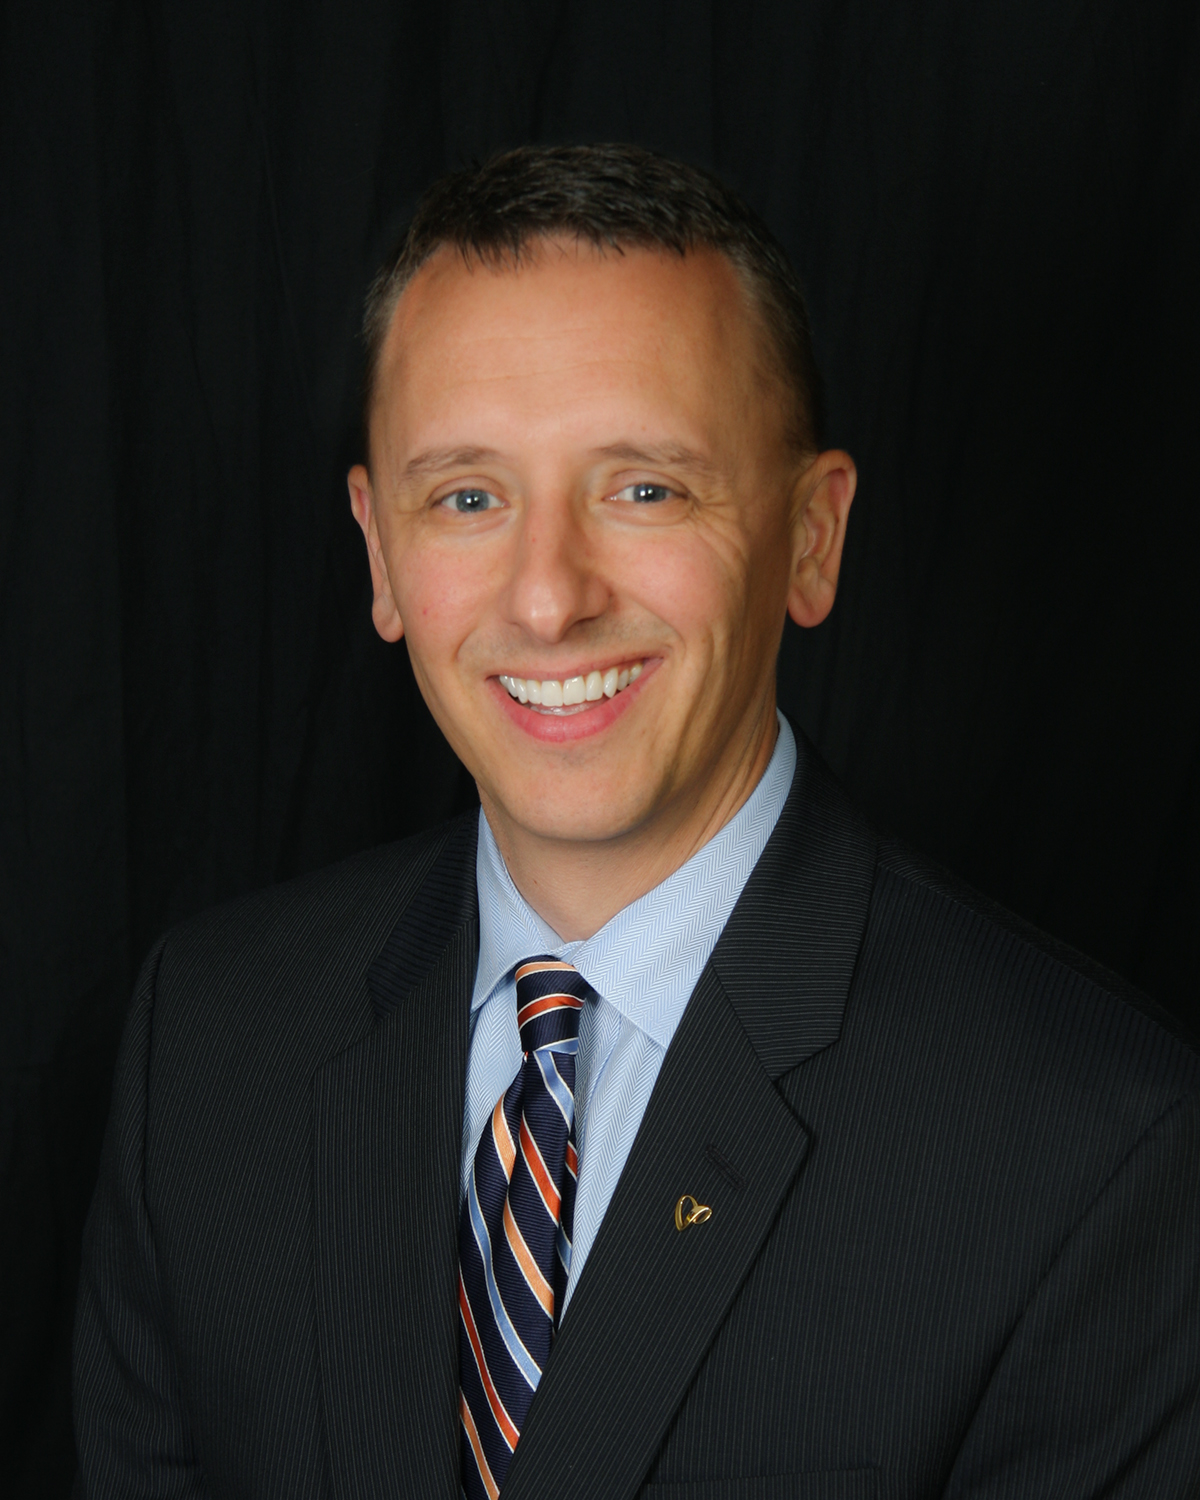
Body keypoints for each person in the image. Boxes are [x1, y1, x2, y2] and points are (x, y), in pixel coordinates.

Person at [73, 144, 1199, 1499]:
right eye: (469, 497)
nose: (550, 599)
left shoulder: (1098, 1154)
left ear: (811, 537)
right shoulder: (207, 1045)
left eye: (644, 488)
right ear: (380, 552)